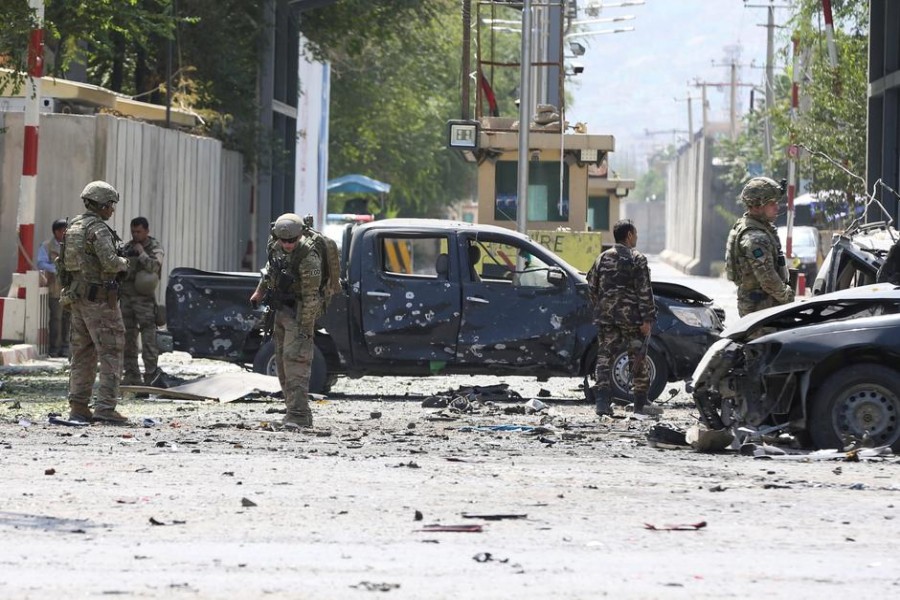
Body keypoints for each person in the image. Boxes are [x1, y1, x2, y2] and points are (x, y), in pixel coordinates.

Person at [58, 181, 129, 423]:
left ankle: (78, 407)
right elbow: (109, 262)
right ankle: (106, 408)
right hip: (99, 301)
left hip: (78, 299)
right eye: (111, 205)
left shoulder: (73, 227)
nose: (112, 210)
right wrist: (124, 263)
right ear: (101, 204)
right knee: (111, 351)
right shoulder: (97, 229)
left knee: (82, 353)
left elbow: (63, 266)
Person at [249, 213, 322, 429]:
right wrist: (259, 292)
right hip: (281, 311)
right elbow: (270, 271)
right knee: (281, 362)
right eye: (284, 241)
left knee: (296, 363)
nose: (288, 245)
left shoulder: (309, 258)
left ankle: (299, 415)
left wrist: (304, 329)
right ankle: (293, 412)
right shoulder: (276, 246)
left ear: (300, 236)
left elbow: (311, 298)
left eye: (292, 241)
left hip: (299, 314)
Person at [587, 219, 659, 417]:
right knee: (637, 357)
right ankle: (640, 403)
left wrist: (602, 308)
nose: (637, 237)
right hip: (633, 319)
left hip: (607, 318)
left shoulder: (602, 258)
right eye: (635, 233)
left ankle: (602, 403)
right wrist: (647, 319)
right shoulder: (638, 259)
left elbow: (591, 288)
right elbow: (645, 291)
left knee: (604, 357)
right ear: (628, 235)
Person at [725, 177, 795, 317]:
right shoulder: (755, 238)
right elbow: (768, 279)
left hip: (762, 308)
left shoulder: (753, 226)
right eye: (771, 204)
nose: (777, 207)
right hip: (761, 311)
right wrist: (788, 297)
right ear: (757, 206)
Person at [119, 217, 166, 387]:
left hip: (145, 301)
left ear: (146, 231)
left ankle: (151, 375)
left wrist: (141, 253)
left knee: (149, 340)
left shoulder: (154, 247)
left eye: (139, 231)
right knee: (128, 338)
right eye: (133, 231)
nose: (135, 235)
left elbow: (154, 266)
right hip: (127, 298)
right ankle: (131, 374)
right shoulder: (127, 247)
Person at [37, 218, 71, 357]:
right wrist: (57, 269)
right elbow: (41, 263)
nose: (67, 233)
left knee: (67, 318)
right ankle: (54, 348)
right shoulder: (46, 246)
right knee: (56, 319)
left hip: (69, 289)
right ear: (57, 231)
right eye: (64, 231)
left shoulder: (72, 246)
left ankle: (65, 347)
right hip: (55, 289)